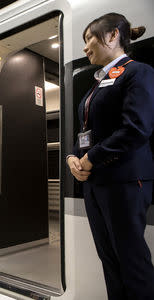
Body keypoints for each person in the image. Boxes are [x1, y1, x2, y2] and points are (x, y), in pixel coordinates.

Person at [66, 13, 154, 299]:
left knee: (132, 263)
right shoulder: (99, 83)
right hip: (96, 184)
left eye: (90, 37)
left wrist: (91, 158)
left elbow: (136, 128)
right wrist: (73, 158)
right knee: (110, 262)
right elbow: (89, 132)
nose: (85, 47)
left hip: (124, 181)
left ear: (113, 36)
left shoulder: (136, 72)